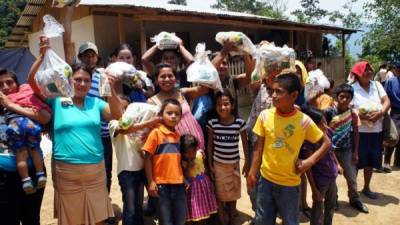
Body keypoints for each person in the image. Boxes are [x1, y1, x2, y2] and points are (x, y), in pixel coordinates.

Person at [28, 37, 123, 225]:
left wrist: (110, 88)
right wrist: (41, 56)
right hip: (66, 170)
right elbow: (32, 82)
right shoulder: (57, 100)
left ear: (90, 83)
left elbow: (116, 115)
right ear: (69, 80)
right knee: (72, 218)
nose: (81, 84)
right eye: (77, 79)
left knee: (98, 218)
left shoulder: (96, 103)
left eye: (86, 81)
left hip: (95, 169)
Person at [247, 73, 331, 225]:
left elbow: (326, 143)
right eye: (273, 91)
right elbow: (258, 148)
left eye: (279, 91)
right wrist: (253, 172)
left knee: (290, 221)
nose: (273, 95)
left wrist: (309, 161)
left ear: (294, 95)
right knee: (263, 221)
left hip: (290, 185)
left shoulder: (303, 121)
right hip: (265, 181)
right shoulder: (265, 116)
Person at [0, 69, 51, 225]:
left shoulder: (28, 100)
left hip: (34, 173)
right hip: (3, 177)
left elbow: (45, 117)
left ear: (17, 83)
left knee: (31, 219)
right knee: (8, 220)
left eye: (9, 82)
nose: (6, 87)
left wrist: (11, 105)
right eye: (0, 84)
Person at [109, 95, 161, 225]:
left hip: (144, 168)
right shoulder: (113, 123)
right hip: (127, 171)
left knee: (138, 204)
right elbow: (124, 129)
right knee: (131, 207)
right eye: (122, 109)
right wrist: (148, 123)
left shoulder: (143, 123)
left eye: (127, 108)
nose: (126, 114)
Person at [206, 89, 248, 225]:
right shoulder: (213, 123)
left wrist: (247, 161)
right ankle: (222, 215)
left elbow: (245, 143)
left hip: (234, 163)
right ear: (215, 106)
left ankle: (231, 212)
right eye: (219, 105)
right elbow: (210, 145)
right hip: (218, 164)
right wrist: (211, 165)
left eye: (226, 104)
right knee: (220, 191)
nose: (223, 107)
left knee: (234, 190)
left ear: (232, 105)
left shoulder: (239, 122)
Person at [325, 83, 369, 213]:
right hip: (330, 150)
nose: (344, 100)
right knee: (331, 178)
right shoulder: (328, 112)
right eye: (342, 96)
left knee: (351, 176)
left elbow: (355, 131)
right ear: (336, 97)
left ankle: (355, 199)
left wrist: (355, 152)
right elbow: (324, 133)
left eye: (348, 97)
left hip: (347, 149)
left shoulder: (353, 113)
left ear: (351, 99)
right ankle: (333, 201)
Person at [350, 61, 390, 199]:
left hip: (376, 131)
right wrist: (358, 114)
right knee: (355, 162)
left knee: (371, 161)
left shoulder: (377, 86)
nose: (368, 72)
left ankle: (366, 187)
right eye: (365, 70)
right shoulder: (351, 88)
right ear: (358, 74)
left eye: (370, 70)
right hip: (358, 132)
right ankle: (353, 192)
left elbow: (386, 101)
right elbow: (345, 105)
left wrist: (380, 113)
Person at [143, 99, 186, 225]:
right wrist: (151, 181)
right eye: (169, 113)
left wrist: (184, 177)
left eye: (177, 114)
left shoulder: (178, 136)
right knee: (166, 220)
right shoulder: (156, 133)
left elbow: (176, 162)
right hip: (161, 185)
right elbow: (147, 158)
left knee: (180, 219)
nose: (173, 116)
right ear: (161, 115)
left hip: (178, 183)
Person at [147, 63, 209, 150]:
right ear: (156, 80)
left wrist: (203, 62)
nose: (167, 79)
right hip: (171, 146)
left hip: (194, 142)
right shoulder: (152, 102)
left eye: (170, 76)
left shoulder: (183, 93)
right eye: (163, 76)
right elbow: (149, 129)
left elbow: (204, 89)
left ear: (175, 79)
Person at [301, 107, 341, 225]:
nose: (325, 125)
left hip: (331, 176)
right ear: (313, 126)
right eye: (321, 123)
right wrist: (314, 190)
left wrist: (337, 164)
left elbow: (330, 149)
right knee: (318, 208)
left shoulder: (326, 133)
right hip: (320, 180)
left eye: (325, 121)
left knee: (331, 205)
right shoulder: (308, 143)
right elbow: (308, 169)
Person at [180, 134, 218, 224]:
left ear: (196, 148)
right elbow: (185, 176)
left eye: (192, 151)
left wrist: (209, 180)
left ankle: (203, 222)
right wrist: (188, 165)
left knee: (204, 206)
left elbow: (205, 167)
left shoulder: (200, 154)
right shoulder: (183, 162)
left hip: (203, 185)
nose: (190, 154)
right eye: (187, 153)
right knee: (193, 207)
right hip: (192, 189)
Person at [384, 61, 400, 171]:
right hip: (396, 111)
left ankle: (398, 161)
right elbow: (386, 97)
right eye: (398, 69)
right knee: (393, 136)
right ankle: (386, 162)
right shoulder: (391, 81)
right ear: (396, 70)